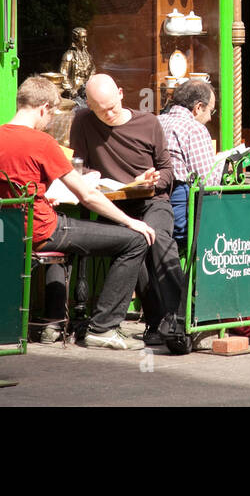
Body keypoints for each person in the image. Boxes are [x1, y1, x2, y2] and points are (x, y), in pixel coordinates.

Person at [0, 76, 155, 351]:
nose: (49, 121)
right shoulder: (41, 142)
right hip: (42, 231)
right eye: (51, 114)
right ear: (44, 108)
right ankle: (103, 328)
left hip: (1, 234)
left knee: (70, 231)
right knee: (136, 240)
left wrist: (38, 196)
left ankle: (54, 321)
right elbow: (87, 195)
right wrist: (131, 221)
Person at [70, 74, 186, 349]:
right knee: (137, 241)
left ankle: (179, 317)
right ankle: (159, 322)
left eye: (112, 106)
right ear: (89, 106)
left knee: (155, 236)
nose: (108, 114)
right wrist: (95, 179)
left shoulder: (148, 122)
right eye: (101, 111)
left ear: (121, 93)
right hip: (113, 204)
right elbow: (77, 168)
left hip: (151, 199)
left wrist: (154, 179)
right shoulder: (84, 122)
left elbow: (168, 169)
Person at [158, 79, 225, 250]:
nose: (210, 117)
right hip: (181, 222)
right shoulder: (194, 129)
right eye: (211, 110)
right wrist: (222, 164)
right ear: (198, 108)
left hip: (155, 215)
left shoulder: (157, 120)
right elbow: (207, 184)